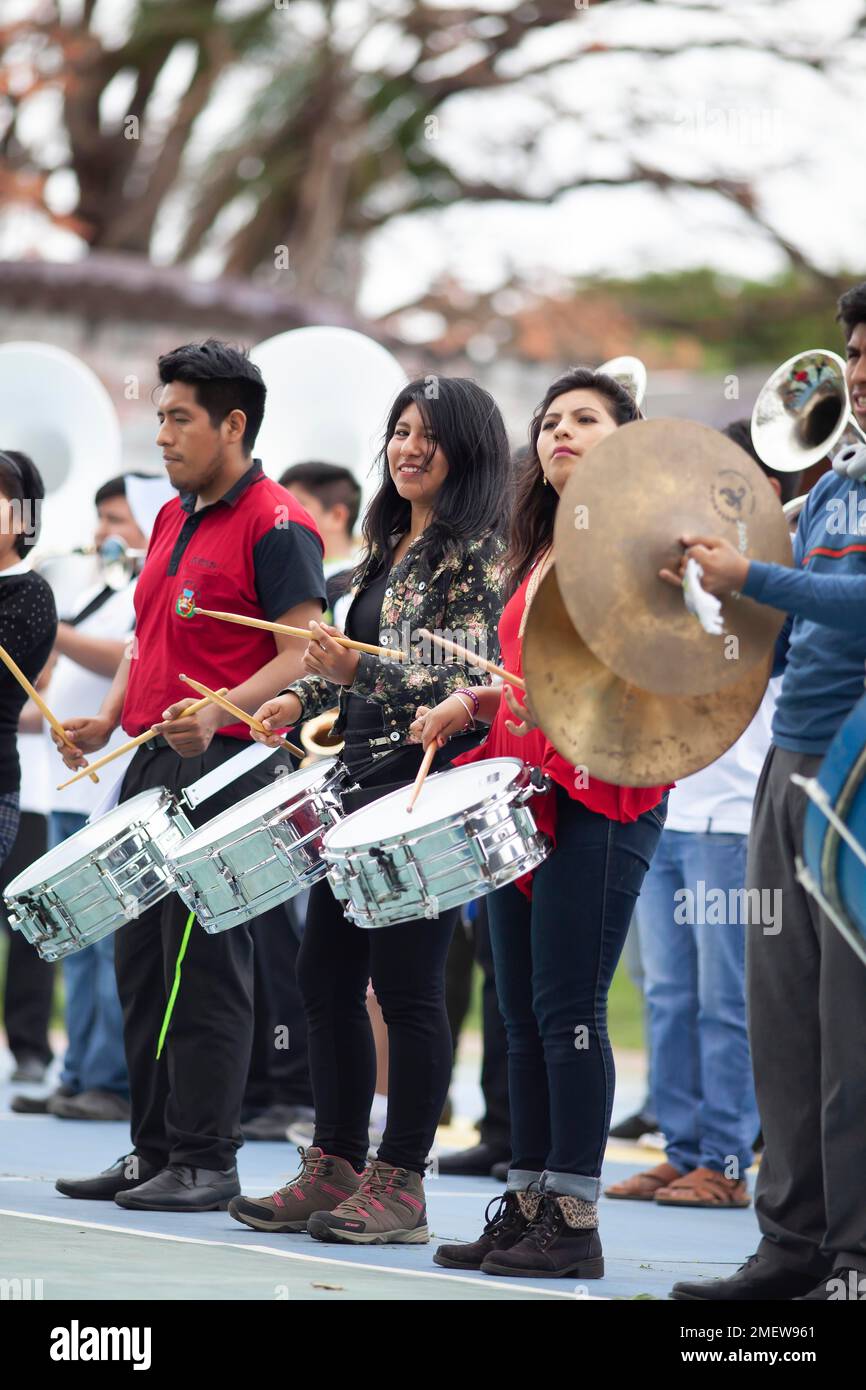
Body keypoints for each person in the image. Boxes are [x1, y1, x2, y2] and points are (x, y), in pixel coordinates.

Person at [229, 376, 509, 1244]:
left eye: (429, 434)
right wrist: (302, 692)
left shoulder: (482, 553)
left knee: (410, 988)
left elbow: (479, 678)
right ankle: (338, 1163)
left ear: (467, 449)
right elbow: (355, 657)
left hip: (426, 791)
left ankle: (404, 1184)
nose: (408, 447)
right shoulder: (384, 547)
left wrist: (359, 677)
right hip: (358, 786)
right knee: (324, 977)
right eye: (398, 430)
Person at [51, 339, 327, 1213]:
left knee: (204, 966)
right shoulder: (172, 517)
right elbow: (148, 637)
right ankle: (152, 1150)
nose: (161, 432)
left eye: (179, 417)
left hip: (231, 768)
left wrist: (218, 710)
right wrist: (114, 715)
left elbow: (303, 652)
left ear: (232, 424)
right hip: (150, 765)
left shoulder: (279, 523)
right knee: (140, 961)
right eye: (161, 414)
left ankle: (207, 1160)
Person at [414, 368, 670, 1279]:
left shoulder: (647, 543)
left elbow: (663, 674)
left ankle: (575, 1220)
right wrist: (473, 699)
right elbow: (538, 679)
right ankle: (526, 1207)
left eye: (586, 419)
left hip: (603, 797)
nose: (560, 432)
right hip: (523, 799)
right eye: (551, 420)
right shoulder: (546, 548)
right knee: (520, 1013)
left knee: (568, 1008)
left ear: (626, 437)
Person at [666, 284, 866, 1300]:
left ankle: (854, 1257)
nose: (858, 370)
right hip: (789, 766)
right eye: (853, 350)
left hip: (856, 776)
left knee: (852, 1025)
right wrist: (695, 595)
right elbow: (782, 634)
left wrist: (750, 574)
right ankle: (789, 1243)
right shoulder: (832, 484)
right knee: (782, 1017)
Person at [604, 422, 793, 1209]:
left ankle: (726, 1159)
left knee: (725, 999)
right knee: (669, 995)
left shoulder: (778, 575)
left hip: (738, 820)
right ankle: (682, 1150)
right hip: (673, 810)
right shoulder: (685, 575)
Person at [11, 472, 173, 1121]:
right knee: (73, 941)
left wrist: (54, 631)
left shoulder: (140, 591)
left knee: (109, 941)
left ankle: (111, 1076)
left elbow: (122, 658)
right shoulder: (99, 590)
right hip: (71, 789)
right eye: (101, 520)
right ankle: (79, 1069)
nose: (104, 533)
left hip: (112, 785)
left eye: (119, 520)